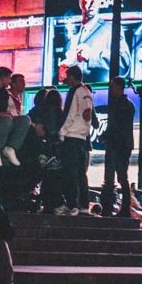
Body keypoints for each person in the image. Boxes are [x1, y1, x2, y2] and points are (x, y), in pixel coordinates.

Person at [59, 0, 132, 85]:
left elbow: (125, 62)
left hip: (100, 93)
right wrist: (63, 75)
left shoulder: (110, 29)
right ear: (80, 2)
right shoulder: (72, 42)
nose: (93, 0)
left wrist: (91, 55)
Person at [56, 65, 93, 216]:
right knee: (81, 173)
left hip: (71, 136)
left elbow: (70, 114)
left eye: (68, 77)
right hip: (82, 137)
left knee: (70, 173)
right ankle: (83, 204)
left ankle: (72, 204)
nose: (67, 80)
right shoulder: (87, 92)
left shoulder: (75, 91)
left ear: (72, 77)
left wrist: (61, 132)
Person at [104, 76, 135, 217]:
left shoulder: (121, 105)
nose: (111, 90)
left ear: (118, 87)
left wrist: (106, 135)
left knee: (121, 176)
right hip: (122, 144)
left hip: (119, 145)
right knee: (122, 176)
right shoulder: (126, 104)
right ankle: (124, 207)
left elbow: (116, 126)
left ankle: (123, 208)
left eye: (112, 87)